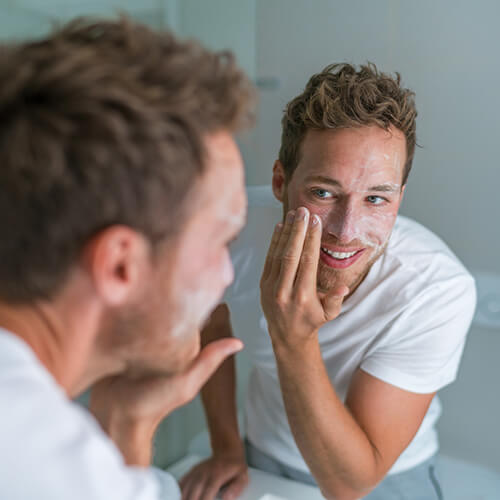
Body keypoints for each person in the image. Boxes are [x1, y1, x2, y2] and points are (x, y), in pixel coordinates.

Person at [180, 63, 476, 500]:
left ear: (399, 198)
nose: (346, 229)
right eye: (323, 193)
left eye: (376, 198)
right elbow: (212, 324)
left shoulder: (435, 289)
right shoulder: (232, 232)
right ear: (281, 181)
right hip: (264, 457)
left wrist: (293, 338)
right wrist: (226, 447)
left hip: (385, 477)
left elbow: (350, 483)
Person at [0, 17, 255, 500]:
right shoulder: (49, 469)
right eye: (222, 241)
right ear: (120, 266)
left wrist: (128, 422)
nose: (226, 276)